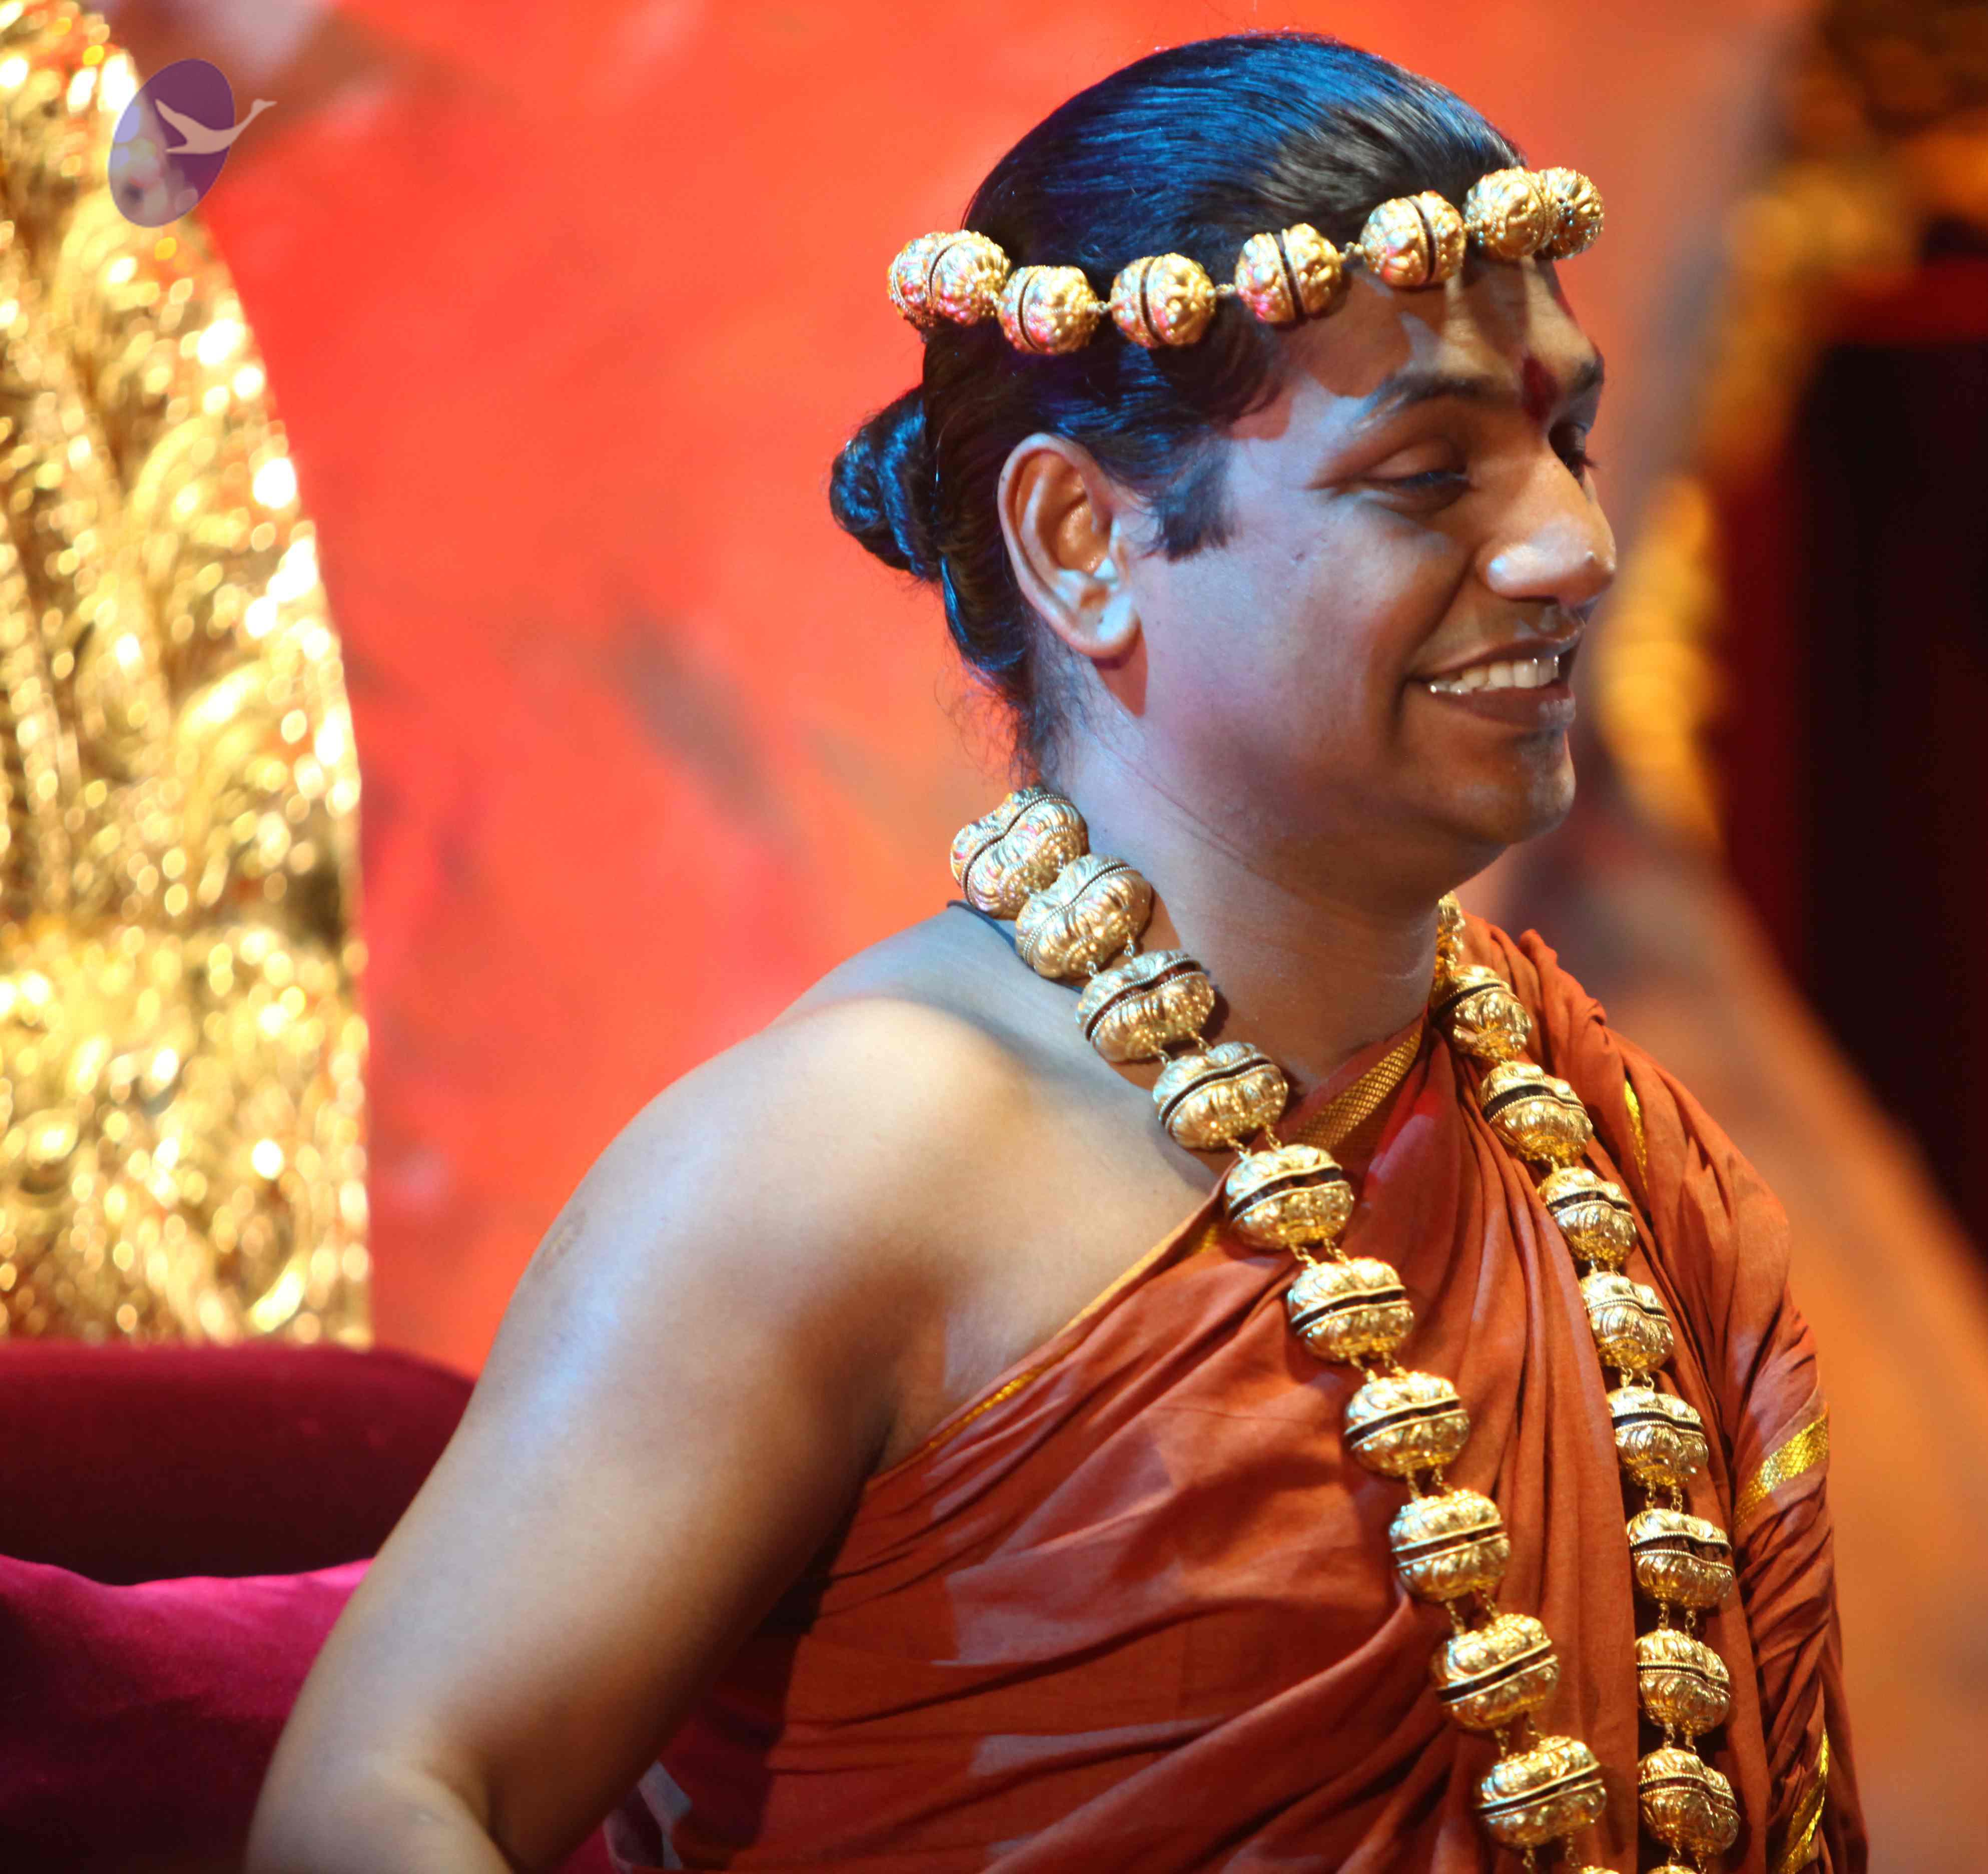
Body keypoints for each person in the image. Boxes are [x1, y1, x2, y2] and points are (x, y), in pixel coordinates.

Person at [248, 33, 1859, 1873]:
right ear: (1082, 543)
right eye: (1427, 475)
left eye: (1566, 443)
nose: (1574, 548)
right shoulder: (849, 1162)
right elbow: (375, 1803)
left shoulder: (1608, 1150)